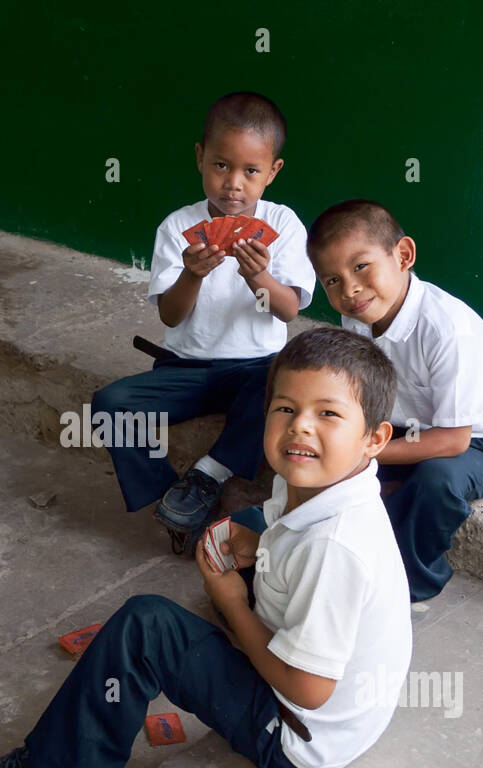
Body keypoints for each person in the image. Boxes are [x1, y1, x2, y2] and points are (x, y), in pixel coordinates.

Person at [0, 326, 411, 768]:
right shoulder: (321, 485)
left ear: (375, 438)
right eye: (285, 409)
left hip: (296, 734)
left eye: (328, 414)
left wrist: (231, 601)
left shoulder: (334, 546)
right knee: (243, 536)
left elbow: (308, 689)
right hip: (342, 721)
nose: (300, 427)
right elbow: (293, 544)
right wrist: (260, 547)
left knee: (146, 627)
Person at [92, 91, 316, 550]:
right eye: (221, 166)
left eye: (250, 171)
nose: (233, 183)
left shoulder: (286, 225)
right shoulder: (178, 228)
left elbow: (289, 310)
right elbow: (171, 314)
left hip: (258, 369)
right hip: (184, 368)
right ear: (200, 158)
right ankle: (170, 504)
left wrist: (259, 276)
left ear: (272, 172)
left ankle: (207, 474)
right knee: (109, 404)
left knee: (282, 392)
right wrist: (192, 274)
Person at [307, 200, 483, 602]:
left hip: (475, 445)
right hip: (404, 430)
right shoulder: (359, 314)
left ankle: (408, 582)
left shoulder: (448, 330)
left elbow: (453, 441)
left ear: (403, 255)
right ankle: (327, 557)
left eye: (360, 267)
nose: (350, 289)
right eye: (331, 281)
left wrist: (363, 455)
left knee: (435, 481)